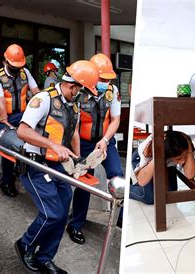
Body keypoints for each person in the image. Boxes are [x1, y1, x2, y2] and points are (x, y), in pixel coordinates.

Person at [14, 60, 99, 274]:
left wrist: (80, 161)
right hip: (35, 163)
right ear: (73, 86)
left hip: (58, 166)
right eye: (83, 91)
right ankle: (25, 245)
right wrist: (52, 144)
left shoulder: (74, 105)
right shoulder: (43, 99)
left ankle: (45, 257)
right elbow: (23, 131)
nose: (84, 97)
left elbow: (74, 133)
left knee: (62, 215)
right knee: (52, 213)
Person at [67, 53, 124, 245]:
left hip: (105, 140)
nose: (105, 82)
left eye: (108, 79)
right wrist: (77, 155)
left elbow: (115, 119)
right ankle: (75, 224)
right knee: (85, 183)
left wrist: (106, 140)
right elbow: (73, 127)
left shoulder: (112, 91)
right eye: (102, 78)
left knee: (118, 176)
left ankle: (122, 218)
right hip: (83, 143)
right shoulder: (78, 92)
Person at [0, 44, 40, 197]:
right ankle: (7, 180)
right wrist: (6, 122)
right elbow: (1, 102)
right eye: (14, 66)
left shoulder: (25, 72)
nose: (17, 69)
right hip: (9, 116)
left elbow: (36, 92)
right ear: (6, 61)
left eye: (19, 66)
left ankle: (24, 172)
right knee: (10, 146)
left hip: (25, 114)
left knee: (32, 143)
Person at [129, 130, 195, 205]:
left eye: (185, 156)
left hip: (168, 163)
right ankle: (127, 188)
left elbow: (190, 175)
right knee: (149, 197)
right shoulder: (148, 149)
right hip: (145, 159)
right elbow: (142, 181)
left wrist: (189, 151)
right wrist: (157, 157)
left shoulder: (185, 145)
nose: (182, 161)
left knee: (169, 194)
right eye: (178, 159)